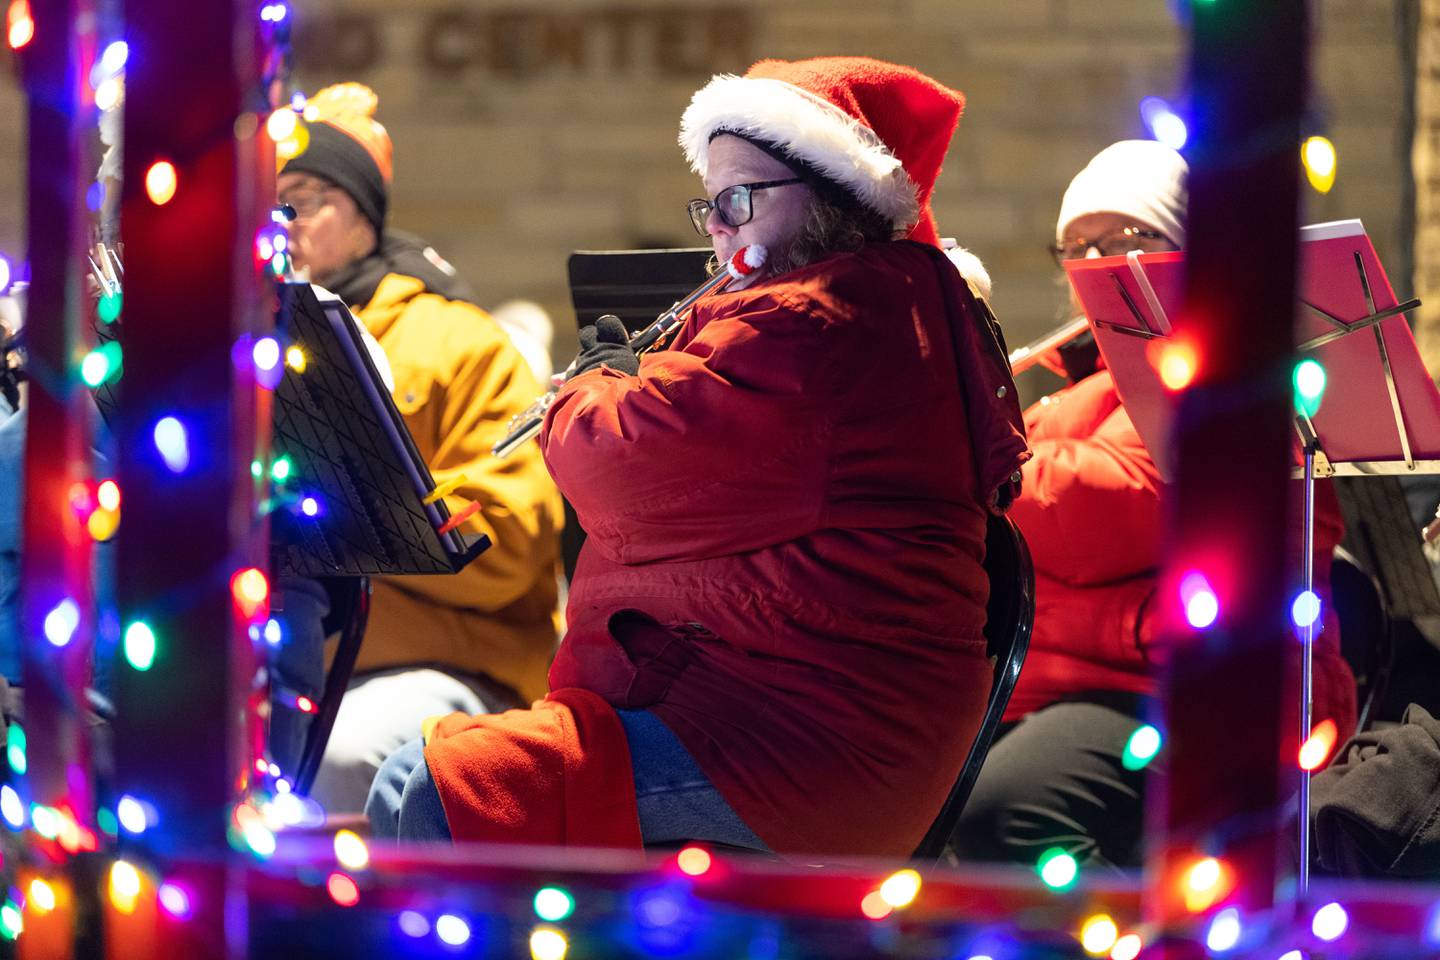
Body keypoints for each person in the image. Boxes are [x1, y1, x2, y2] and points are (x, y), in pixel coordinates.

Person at [366, 56, 1029, 857]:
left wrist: (586, 391)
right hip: (763, 697)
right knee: (419, 780)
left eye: (738, 200)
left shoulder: (823, 325)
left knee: (442, 789)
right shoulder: (846, 304)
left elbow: (620, 475)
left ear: (832, 198)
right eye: (709, 206)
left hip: (804, 738)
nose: (718, 228)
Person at [949, 140, 1357, 868]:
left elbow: (1096, 513)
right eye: (1076, 247)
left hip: (1198, 689)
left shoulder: (1238, 374)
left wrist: (963, 440)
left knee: (1005, 814)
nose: (1094, 264)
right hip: (1072, 682)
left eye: (1127, 239)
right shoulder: (1076, 392)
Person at [273, 83, 565, 811]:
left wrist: (355, 514)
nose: (280, 224)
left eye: (302, 200)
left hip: (451, 666)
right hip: (282, 657)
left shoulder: (462, 341)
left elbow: (509, 538)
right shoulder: (246, 348)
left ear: (363, 215)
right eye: (267, 206)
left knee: (333, 759)